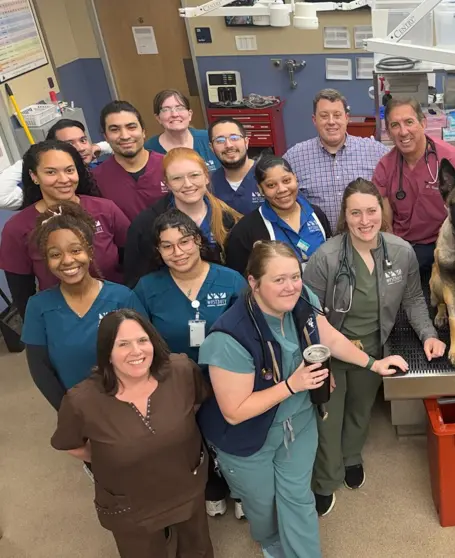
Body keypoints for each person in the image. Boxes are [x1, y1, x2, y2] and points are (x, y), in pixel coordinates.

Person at [197, 241, 408, 558]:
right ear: (253, 283)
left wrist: (374, 364)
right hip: (246, 438)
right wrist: (293, 385)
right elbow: (235, 412)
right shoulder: (228, 337)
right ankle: (270, 544)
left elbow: (329, 337)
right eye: (278, 280)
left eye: (295, 276)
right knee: (263, 506)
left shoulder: (303, 299)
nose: (291, 287)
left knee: (297, 499)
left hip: (298, 423)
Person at [303, 178, 445, 515]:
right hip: (333, 352)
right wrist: (319, 364)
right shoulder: (326, 258)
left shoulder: (400, 251)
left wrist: (429, 335)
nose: (365, 220)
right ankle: (325, 479)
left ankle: (352, 457)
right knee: (327, 418)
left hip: (373, 350)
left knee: (360, 409)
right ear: (345, 216)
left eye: (371, 211)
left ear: (382, 212)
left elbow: (412, 298)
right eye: (356, 213)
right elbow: (308, 318)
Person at [51, 309, 214, 558]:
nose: (136, 352)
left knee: (197, 548)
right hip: (130, 501)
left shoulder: (181, 370)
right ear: (107, 352)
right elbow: (71, 444)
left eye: (142, 340)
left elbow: (194, 404)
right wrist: (112, 456)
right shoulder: (81, 401)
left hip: (184, 485)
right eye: (123, 344)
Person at [134, 209, 247, 518]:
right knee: (189, 437)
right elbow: (137, 338)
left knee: (231, 433)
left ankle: (241, 490)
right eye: (167, 245)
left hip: (226, 376)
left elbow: (249, 332)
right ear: (158, 250)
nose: (178, 252)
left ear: (198, 241)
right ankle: (211, 486)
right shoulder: (147, 288)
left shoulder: (229, 279)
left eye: (184, 241)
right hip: (172, 380)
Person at [21, 202, 143, 410]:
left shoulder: (122, 298)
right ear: (46, 260)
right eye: (55, 254)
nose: (67, 260)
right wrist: (69, 411)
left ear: (90, 251)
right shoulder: (38, 307)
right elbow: (41, 371)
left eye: (75, 250)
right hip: (77, 409)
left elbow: (145, 354)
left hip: (130, 405)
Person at [0, 141, 129, 315]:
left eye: (69, 170)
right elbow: (23, 294)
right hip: (61, 316)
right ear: (34, 176)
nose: (64, 179)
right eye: (51, 172)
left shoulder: (105, 209)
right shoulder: (18, 228)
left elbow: (131, 259)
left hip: (118, 307)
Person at [372, 97, 455, 274]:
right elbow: (386, 225)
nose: (403, 132)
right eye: (395, 125)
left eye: (409, 122)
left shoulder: (452, 161)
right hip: (404, 248)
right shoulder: (385, 166)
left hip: (446, 245)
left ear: (423, 123)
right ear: (388, 132)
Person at [124, 147, 242, 287]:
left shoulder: (229, 219)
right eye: (177, 178)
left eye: (194, 175)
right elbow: (135, 281)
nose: (187, 184)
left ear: (206, 177)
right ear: (167, 183)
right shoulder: (146, 225)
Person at [285, 89, 389, 226]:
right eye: (324, 116)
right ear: (314, 120)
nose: (331, 122)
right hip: (318, 243)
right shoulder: (294, 158)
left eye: (337, 115)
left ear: (346, 118)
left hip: (366, 239)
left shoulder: (375, 152)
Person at [224, 153, 332, 275]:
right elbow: (237, 279)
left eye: (286, 180)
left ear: (295, 178)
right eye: (271, 185)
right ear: (260, 189)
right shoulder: (246, 230)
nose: (282, 189)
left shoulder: (316, 214)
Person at [0, 118, 112, 211]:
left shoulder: (97, 170)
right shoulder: (46, 189)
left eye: (83, 140)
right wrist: (35, 158)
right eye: (69, 144)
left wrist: (99, 147)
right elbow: (2, 196)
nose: (81, 148)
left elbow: (123, 147)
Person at [93, 100, 168, 221]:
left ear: (143, 131)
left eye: (131, 127)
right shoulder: (97, 180)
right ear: (105, 137)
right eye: (114, 129)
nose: (125, 136)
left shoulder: (169, 166)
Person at [144, 89, 219, 172]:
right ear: (158, 118)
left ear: (189, 114)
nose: (174, 114)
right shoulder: (149, 150)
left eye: (179, 108)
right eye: (166, 109)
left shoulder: (209, 138)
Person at [209, 117, 263, 215]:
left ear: (246, 142)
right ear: (212, 148)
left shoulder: (267, 175)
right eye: (220, 140)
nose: (228, 145)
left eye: (234, 138)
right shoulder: (209, 185)